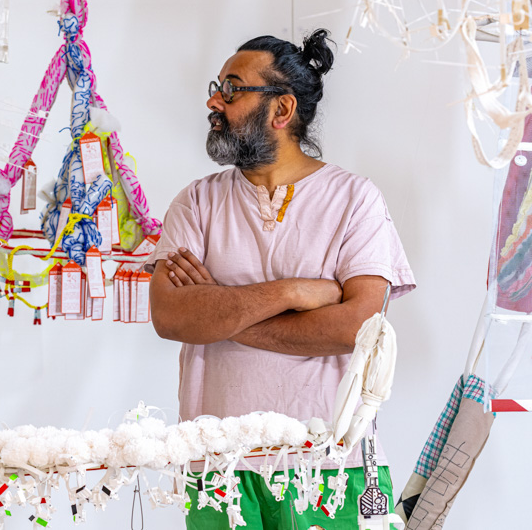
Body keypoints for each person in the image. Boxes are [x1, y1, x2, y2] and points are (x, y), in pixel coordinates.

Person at [146, 29, 415, 530]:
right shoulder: (196, 202)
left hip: (330, 464)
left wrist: (218, 311)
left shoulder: (355, 200)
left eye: (231, 88)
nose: (213, 101)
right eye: (217, 87)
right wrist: (293, 293)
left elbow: (357, 327)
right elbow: (170, 317)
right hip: (216, 465)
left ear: (282, 109)